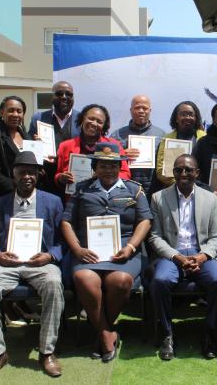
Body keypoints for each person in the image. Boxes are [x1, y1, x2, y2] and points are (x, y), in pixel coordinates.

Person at [0, 152, 64, 381]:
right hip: (8, 264)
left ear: (38, 175)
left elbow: (62, 241)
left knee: (54, 283)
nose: (27, 176)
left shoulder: (53, 202)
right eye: (21, 172)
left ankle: (47, 352)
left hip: (40, 263)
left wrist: (50, 256)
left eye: (31, 172)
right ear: (13, 175)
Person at [61, 143, 152, 362]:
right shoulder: (82, 189)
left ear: (120, 166)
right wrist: (77, 249)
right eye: (103, 166)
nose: (109, 170)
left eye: (113, 166)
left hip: (123, 249)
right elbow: (66, 222)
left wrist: (130, 247)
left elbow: (145, 221)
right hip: (87, 250)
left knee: (120, 281)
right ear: (95, 167)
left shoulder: (134, 189)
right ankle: (106, 333)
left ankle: (100, 333)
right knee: (84, 278)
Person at [148, 154, 217, 361]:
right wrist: (177, 257)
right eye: (178, 170)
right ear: (173, 173)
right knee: (160, 281)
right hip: (173, 255)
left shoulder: (210, 198)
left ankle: (210, 333)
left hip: (202, 254)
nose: (183, 173)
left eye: (188, 170)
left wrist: (203, 256)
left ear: (197, 173)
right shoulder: (158, 197)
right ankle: (167, 334)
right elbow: (155, 236)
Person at [55, 104, 130, 194]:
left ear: (104, 126)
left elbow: (126, 174)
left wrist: (105, 176)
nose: (94, 123)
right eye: (91, 118)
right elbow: (58, 174)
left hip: (104, 199)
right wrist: (61, 178)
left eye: (99, 121)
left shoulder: (114, 145)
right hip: (75, 199)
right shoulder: (65, 146)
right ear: (82, 119)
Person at [29, 81, 81, 195]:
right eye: (59, 94)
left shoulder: (81, 119)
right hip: (45, 178)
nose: (64, 97)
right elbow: (30, 147)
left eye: (68, 94)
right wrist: (36, 145)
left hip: (72, 179)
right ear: (52, 96)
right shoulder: (38, 118)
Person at [109, 95, 166, 198]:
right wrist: (122, 155)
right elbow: (106, 162)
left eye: (144, 108)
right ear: (131, 110)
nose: (141, 111)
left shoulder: (162, 135)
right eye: (137, 108)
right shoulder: (116, 135)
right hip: (124, 190)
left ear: (150, 110)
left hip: (153, 191)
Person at [0, 96, 32, 203]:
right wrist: (20, 187)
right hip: (3, 199)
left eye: (19, 111)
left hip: (27, 198)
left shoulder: (28, 137)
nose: (15, 114)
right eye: (11, 110)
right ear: (2, 112)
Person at [154, 101, 206, 189]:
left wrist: (196, 186)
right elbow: (160, 170)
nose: (187, 117)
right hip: (173, 189)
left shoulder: (204, 137)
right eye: (183, 114)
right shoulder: (167, 139)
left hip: (200, 188)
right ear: (176, 118)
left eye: (191, 114)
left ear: (196, 118)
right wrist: (180, 183)